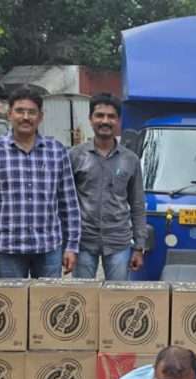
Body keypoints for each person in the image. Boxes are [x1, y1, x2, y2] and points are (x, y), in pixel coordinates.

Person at [0, 86, 80, 279]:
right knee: (13, 306)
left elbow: (69, 204)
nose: (26, 117)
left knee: (47, 306)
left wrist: (71, 246)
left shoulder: (56, 151)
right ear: (9, 114)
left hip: (49, 248)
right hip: (9, 249)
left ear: (40, 117)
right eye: (20, 111)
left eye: (32, 112)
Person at [69, 93, 145, 280]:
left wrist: (139, 246)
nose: (105, 121)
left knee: (117, 301)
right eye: (100, 115)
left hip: (119, 242)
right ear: (90, 119)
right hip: (83, 241)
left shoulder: (130, 159)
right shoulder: (75, 156)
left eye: (111, 116)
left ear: (118, 120)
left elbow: (137, 204)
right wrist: (67, 245)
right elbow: (65, 203)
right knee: (82, 298)